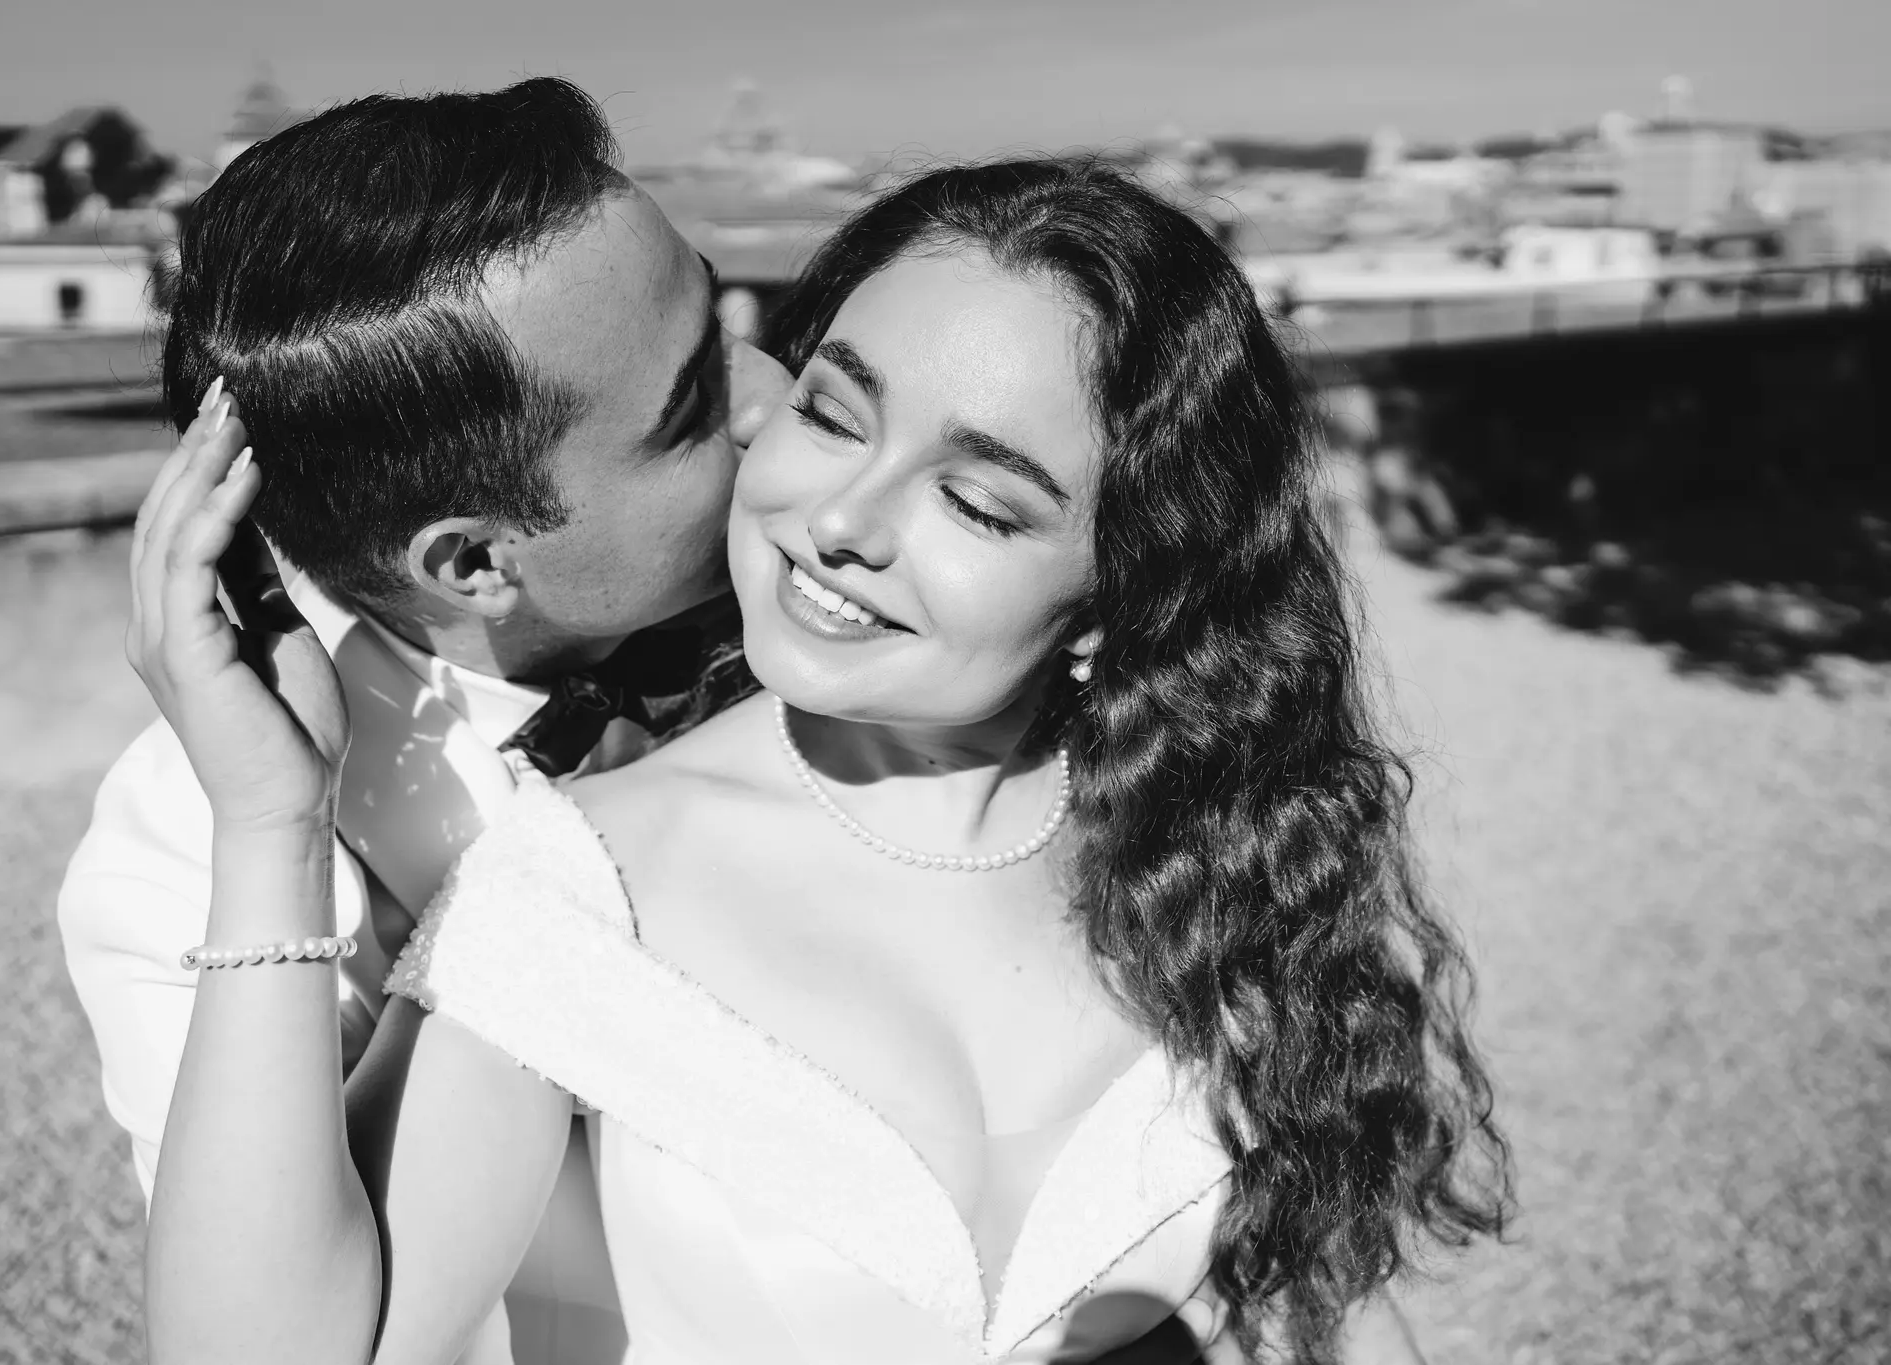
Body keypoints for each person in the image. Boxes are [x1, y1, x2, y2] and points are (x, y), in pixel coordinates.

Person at [129, 157, 1510, 1364]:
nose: (839, 516)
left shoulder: (1214, 839)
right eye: (837, 412)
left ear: (1124, 595)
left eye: (976, 498)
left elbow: (1238, 1298)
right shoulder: (580, 886)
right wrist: (270, 827)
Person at [57, 80, 789, 1365]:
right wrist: (275, 836)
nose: (776, 397)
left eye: (727, 315)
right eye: (690, 409)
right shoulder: (187, 845)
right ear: (471, 564)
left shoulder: (846, 590)